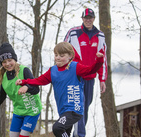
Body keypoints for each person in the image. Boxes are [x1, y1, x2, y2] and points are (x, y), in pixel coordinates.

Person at [15, 42, 104, 137]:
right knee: (64, 133)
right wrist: (24, 82)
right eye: (56, 55)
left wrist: (99, 60)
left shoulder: (75, 67)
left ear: (70, 56)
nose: (58, 58)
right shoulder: (52, 71)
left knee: (57, 128)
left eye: (61, 56)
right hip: (63, 110)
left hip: (74, 109)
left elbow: (91, 70)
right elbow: (39, 80)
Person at [63, 8, 107, 137]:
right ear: (82, 19)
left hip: (90, 78)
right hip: (75, 76)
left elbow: (103, 59)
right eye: (86, 18)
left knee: (85, 107)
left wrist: (102, 79)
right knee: (77, 105)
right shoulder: (73, 32)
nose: (88, 20)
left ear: (94, 19)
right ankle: (78, 134)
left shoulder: (100, 36)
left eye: (90, 18)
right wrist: (63, 72)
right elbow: (62, 51)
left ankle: (75, 133)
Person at [0, 43, 41, 137]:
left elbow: (36, 89)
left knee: (23, 134)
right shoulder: (4, 77)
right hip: (18, 111)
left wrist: (27, 87)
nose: (7, 64)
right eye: (4, 62)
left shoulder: (24, 70)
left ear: (14, 59)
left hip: (32, 110)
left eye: (10, 60)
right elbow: (2, 94)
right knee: (13, 135)